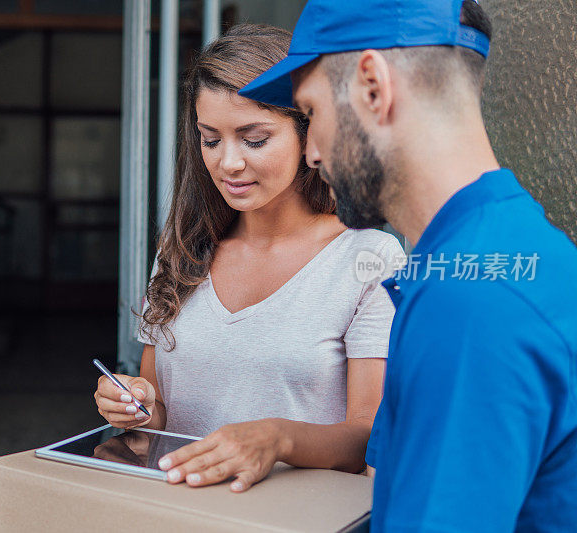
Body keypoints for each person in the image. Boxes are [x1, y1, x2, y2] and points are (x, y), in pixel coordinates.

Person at [240, 0, 577, 530]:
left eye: (312, 114)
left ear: (373, 86)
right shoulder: (489, 254)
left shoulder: (474, 303)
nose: (312, 153)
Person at [93, 24, 404, 492]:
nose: (228, 163)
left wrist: (277, 439)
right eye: (210, 139)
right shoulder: (183, 249)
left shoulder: (367, 258)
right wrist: (134, 404)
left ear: (309, 132)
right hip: (175, 511)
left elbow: (367, 436)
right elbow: (158, 413)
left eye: (254, 139)